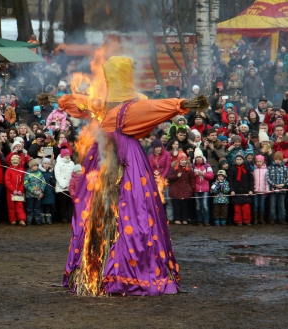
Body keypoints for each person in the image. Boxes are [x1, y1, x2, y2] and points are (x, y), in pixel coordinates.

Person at [57, 56, 207, 296]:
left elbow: (155, 108)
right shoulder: (114, 107)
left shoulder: (116, 108)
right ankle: (108, 270)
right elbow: (79, 101)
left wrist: (181, 103)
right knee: (126, 211)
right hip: (115, 162)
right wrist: (182, 103)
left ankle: (108, 270)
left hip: (114, 161)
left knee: (119, 212)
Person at [168, 152, 195, 225]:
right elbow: (169, 177)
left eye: (184, 160)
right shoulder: (174, 169)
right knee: (177, 205)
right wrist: (176, 176)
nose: (183, 161)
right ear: (179, 161)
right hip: (176, 189)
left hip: (186, 189)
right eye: (182, 160)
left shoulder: (189, 170)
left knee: (185, 205)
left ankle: (184, 219)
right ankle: (177, 218)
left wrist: (192, 188)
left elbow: (192, 179)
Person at [228, 151, 254, 226]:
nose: (238, 161)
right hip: (236, 192)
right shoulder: (232, 169)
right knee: (237, 209)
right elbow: (230, 181)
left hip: (246, 191)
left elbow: (251, 180)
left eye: (240, 159)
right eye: (237, 159)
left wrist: (251, 190)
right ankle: (238, 221)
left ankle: (247, 221)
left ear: (243, 160)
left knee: (246, 208)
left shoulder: (247, 168)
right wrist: (232, 190)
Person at [192, 147, 214, 226]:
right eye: (197, 157)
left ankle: (206, 221)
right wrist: (195, 175)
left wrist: (203, 174)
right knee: (198, 206)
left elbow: (211, 176)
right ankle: (199, 221)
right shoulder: (193, 166)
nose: (198, 159)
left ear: (202, 157)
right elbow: (190, 176)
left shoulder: (207, 165)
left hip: (205, 188)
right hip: (196, 189)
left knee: (205, 205)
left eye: (199, 157)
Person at [5, 155, 26, 226]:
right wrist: (13, 189)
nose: (15, 164)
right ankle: (13, 219)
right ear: (11, 162)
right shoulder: (8, 170)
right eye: (13, 163)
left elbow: (23, 181)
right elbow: (7, 181)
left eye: (16, 163)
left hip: (19, 192)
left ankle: (21, 219)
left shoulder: (21, 170)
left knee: (19, 206)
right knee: (11, 206)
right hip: (11, 192)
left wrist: (20, 190)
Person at [267, 151, 288, 225]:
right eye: (276, 159)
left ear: (281, 160)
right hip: (273, 189)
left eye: (279, 159)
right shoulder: (270, 167)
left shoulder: (285, 168)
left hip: (282, 189)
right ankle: (272, 218)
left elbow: (287, 178)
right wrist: (275, 185)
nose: (278, 161)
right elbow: (268, 178)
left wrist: (283, 184)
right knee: (272, 204)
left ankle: (282, 219)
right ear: (274, 159)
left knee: (281, 205)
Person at [24, 159, 46, 225]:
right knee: (29, 208)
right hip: (30, 195)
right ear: (31, 166)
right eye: (34, 165)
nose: (36, 167)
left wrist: (41, 190)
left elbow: (43, 182)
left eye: (37, 165)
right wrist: (32, 190)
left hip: (38, 194)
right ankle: (29, 220)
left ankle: (38, 220)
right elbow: (26, 184)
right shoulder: (27, 174)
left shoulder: (40, 173)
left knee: (37, 207)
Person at [55, 149, 75, 223]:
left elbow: (73, 174)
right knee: (63, 203)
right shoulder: (58, 164)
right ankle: (63, 217)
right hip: (62, 187)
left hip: (70, 186)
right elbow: (57, 175)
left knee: (70, 203)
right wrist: (63, 184)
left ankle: (70, 216)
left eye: (68, 155)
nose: (67, 157)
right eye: (66, 155)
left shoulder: (72, 163)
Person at [252, 155, 269, 225]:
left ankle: (261, 219)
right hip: (255, 190)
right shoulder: (254, 170)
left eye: (260, 161)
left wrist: (266, 190)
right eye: (257, 161)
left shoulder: (266, 170)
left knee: (262, 204)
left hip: (262, 191)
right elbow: (252, 180)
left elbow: (266, 181)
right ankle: (255, 219)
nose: (258, 163)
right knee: (255, 204)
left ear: (263, 162)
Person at [39, 158, 56, 224]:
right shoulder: (40, 172)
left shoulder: (51, 172)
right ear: (42, 164)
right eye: (45, 163)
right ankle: (42, 218)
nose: (46, 165)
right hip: (43, 190)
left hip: (49, 191)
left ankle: (48, 218)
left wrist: (52, 180)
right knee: (42, 205)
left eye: (48, 164)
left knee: (48, 205)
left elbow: (54, 183)